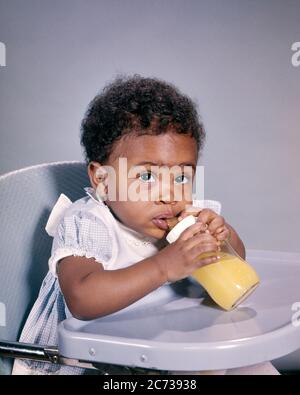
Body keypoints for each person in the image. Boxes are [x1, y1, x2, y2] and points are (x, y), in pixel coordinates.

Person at [12, 75, 278, 375]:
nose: (169, 195)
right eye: (147, 177)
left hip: (164, 350)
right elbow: (82, 298)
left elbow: (238, 258)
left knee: (247, 362)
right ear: (103, 181)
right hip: (92, 364)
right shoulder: (88, 222)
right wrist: (165, 266)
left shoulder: (186, 218)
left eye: (181, 178)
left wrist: (222, 236)